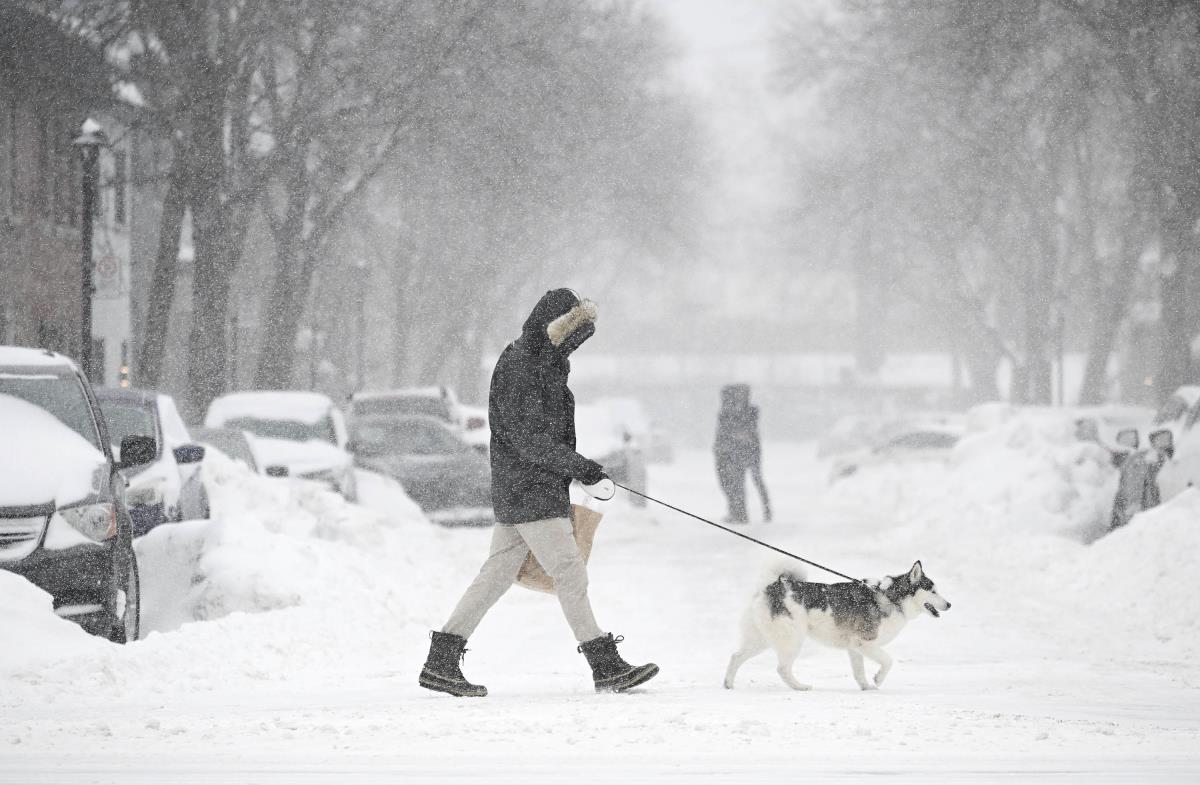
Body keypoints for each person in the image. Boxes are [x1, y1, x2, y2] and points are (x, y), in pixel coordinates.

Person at [419, 288, 659, 697]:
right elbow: (529, 438)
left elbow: (538, 436)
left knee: (496, 574)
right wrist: (583, 469)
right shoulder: (522, 366)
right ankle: (605, 665)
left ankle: (441, 661)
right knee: (569, 571)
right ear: (555, 327)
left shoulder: (543, 364)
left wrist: (577, 471)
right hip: (529, 487)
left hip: (528, 486)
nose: (573, 343)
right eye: (571, 332)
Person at [713, 384, 771, 524]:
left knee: (754, 480)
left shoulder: (750, 411)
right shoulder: (725, 413)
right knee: (733, 483)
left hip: (747, 451)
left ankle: (763, 511)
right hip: (731, 452)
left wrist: (735, 436)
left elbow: (746, 431)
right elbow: (724, 432)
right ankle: (738, 512)